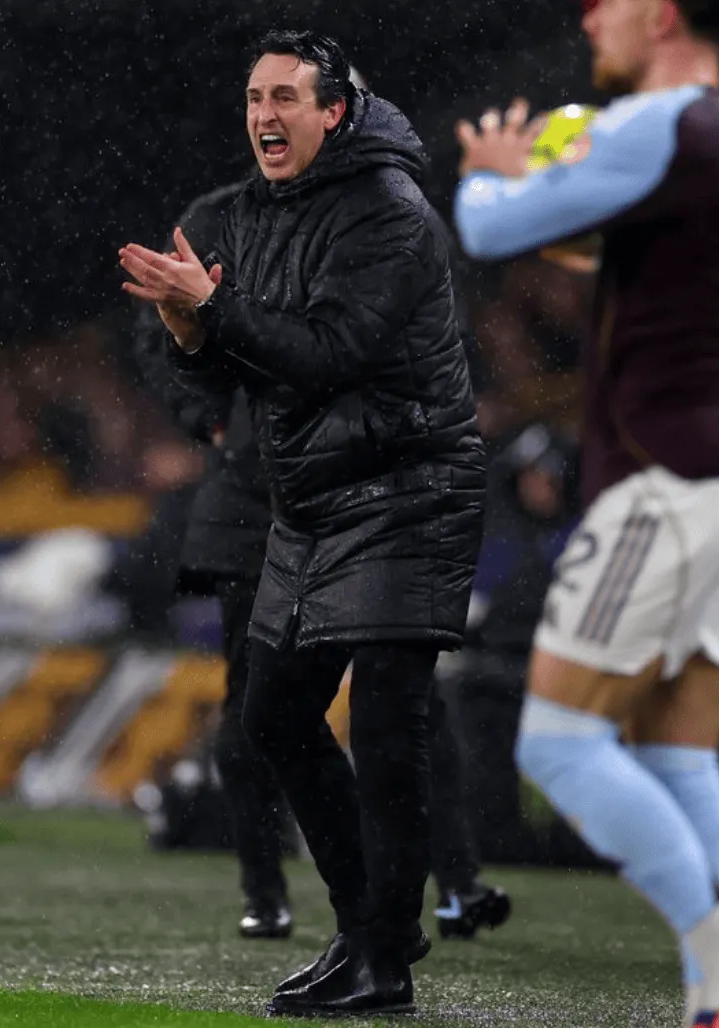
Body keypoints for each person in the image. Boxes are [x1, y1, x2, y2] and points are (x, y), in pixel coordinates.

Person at [454, 1, 719, 1026]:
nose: (589, 18)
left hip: (671, 477)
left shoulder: (655, 122)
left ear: (660, 16)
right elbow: (659, 267)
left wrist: (495, 170)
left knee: (558, 744)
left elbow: (486, 228)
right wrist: (569, 205)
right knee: (677, 754)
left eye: (608, 2)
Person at [120, 30, 486, 1018]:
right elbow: (245, 366)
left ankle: (383, 955)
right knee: (272, 715)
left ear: (336, 111)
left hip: (409, 488)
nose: (264, 115)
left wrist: (215, 307)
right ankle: (370, 924)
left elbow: (329, 353)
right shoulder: (259, 211)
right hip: (310, 501)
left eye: (286, 96)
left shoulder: (389, 209)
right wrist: (190, 330)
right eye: (254, 98)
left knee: (390, 725)